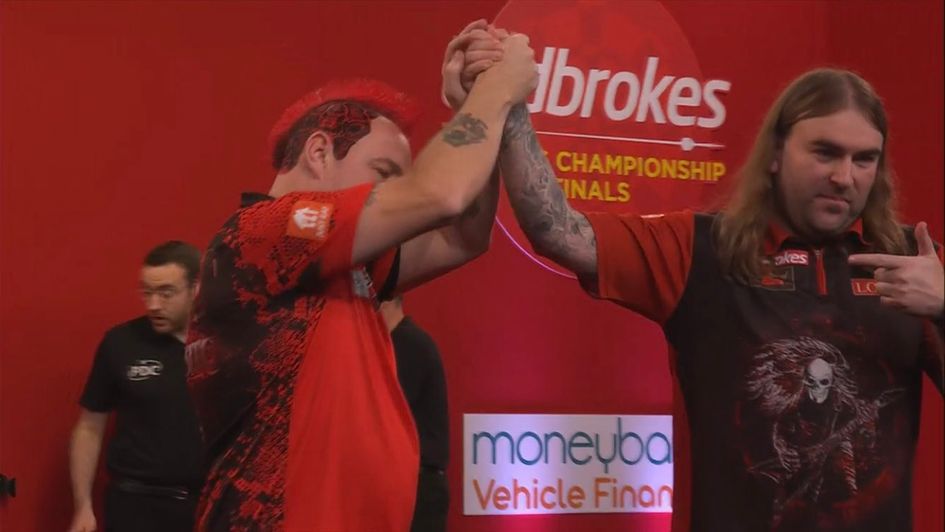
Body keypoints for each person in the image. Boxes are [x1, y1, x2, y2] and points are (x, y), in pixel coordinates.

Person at [447, 26, 944, 531]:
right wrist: (506, 100)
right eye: (825, 152)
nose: (844, 177)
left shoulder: (914, 264)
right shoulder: (702, 249)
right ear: (775, 153)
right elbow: (558, 231)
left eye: (864, 159)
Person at [184, 26, 536, 531]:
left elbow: (464, 237)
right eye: (385, 172)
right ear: (320, 153)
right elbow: (440, 194)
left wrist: (472, 106)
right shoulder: (264, 233)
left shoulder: (344, 263)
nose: (397, 192)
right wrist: (498, 88)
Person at [68, 240, 204, 532]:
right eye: (147, 292)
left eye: (166, 293)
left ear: (195, 288)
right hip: (134, 504)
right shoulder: (121, 343)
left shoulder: (228, 343)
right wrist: (83, 506)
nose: (154, 305)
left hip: (206, 505)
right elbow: (89, 427)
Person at [379, 296, 450, 532]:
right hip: (411, 486)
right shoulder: (398, 343)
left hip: (419, 490)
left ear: (386, 302)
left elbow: (384, 414)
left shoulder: (408, 344)